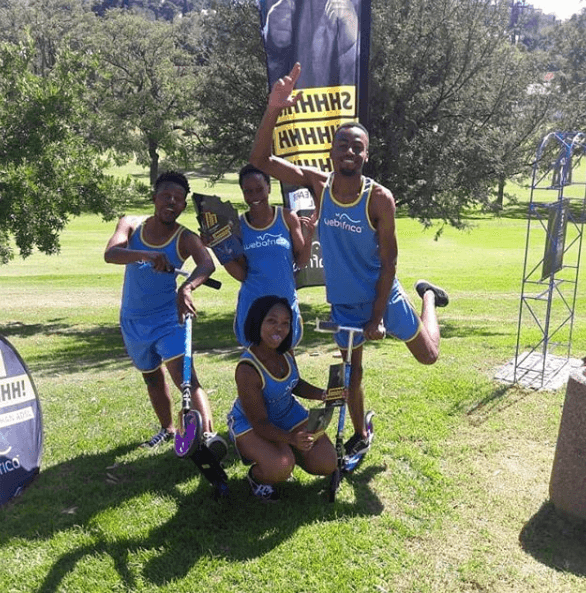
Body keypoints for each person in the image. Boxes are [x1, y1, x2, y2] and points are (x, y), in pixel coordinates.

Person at [249, 63, 450, 461]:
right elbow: (260, 159)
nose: (349, 152)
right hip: (343, 302)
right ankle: (360, 434)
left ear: (366, 155)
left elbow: (389, 263)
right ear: (332, 151)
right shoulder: (318, 184)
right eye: (343, 145)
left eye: (357, 147)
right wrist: (273, 108)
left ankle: (427, 296)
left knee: (428, 356)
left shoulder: (379, 199)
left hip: (381, 296)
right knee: (351, 374)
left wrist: (377, 317)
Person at [104, 170, 227, 456]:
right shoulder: (130, 224)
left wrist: (187, 287)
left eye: (178, 199)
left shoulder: (185, 237)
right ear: (154, 198)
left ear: (183, 205)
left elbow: (207, 264)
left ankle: (208, 438)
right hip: (133, 321)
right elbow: (111, 254)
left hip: (169, 319)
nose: (171, 202)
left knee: (187, 380)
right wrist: (146, 255)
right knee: (151, 377)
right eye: (166, 196)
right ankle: (168, 429)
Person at [228, 295, 338, 502]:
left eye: (285, 323)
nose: (279, 328)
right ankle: (257, 476)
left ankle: (285, 451)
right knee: (281, 466)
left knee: (327, 462)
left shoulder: (286, 351)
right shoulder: (247, 369)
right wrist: (292, 439)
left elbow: (295, 383)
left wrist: (324, 394)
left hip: (287, 413)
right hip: (252, 423)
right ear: (257, 322)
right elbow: (260, 423)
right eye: (272, 321)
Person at [221, 163, 313, 349]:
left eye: (259, 189)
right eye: (248, 191)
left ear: (269, 188)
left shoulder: (287, 218)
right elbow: (241, 273)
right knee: (255, 359)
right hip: (253, 303)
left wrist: (310, 235)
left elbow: (302, 261)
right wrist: (219, 247)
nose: (254, 196)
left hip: (284, 301)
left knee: (286, 357)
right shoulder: (238, 226)